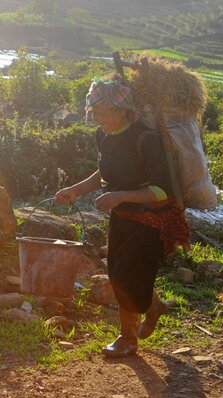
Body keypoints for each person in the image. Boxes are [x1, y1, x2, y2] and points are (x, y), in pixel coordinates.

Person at [55, 77, 189, 358]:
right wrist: (75, 190)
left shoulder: (145, 139)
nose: (98, 117)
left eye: (104, 111)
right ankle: (154, 307)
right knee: (119, 272)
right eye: (94, 111)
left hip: (152, 218)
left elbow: (161, 190)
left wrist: (120, 196)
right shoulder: (103, 135)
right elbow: (105, 173)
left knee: (125, 274)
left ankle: (127, 338)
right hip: (122, 215)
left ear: (124, 110)